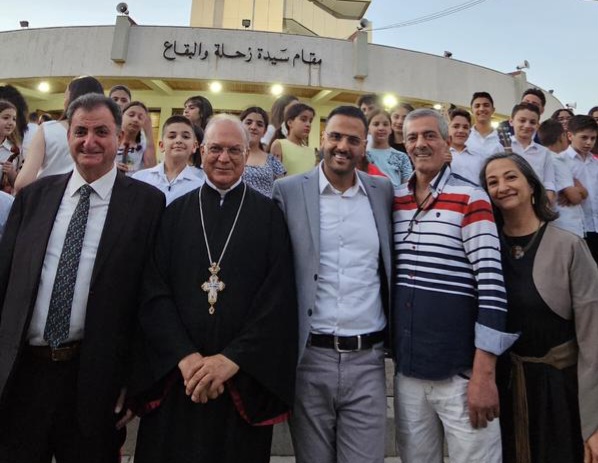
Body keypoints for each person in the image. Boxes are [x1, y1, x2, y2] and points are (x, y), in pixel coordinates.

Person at [0, 93, 165, 463]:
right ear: (68, 135)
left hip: (95, 382)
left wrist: (134, 381)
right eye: (81, 132)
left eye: (101, 132)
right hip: (24, 377)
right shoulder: (34, 197)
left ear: (119, 137)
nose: (89, 141)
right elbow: (4, 280)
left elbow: (150, 299)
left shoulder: (147, 205)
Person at [134, 114, 298, 463]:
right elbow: (154, 292)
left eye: (234, 150)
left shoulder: (269, 217)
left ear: (247, 154)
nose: (224, 158)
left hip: (240, 379)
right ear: (201, 151)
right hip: (179, 378)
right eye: (216, 149)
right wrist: (186, 357)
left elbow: (278, 299)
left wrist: (230, 360)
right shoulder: (174, 214)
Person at [392, 109, 517, 463]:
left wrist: (484, 374)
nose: (420, 144)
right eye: (412, 137)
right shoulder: (395, 200)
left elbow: (492, 287)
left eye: (429, 135)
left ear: (448, 142)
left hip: (461, 375)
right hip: (409, 372)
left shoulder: (471, 198)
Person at [273, 105, 394, 463]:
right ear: (322, 138)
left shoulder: (383, 192)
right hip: (311, 358)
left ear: (364, 145)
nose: (343, 146)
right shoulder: (288, 191)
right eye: (336, 137)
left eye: (353, 140)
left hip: (368, 359)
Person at [480, 152, 598, 463]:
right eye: (492, 182)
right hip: (504, 388)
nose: (502, 186)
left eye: (511, 177)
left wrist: (594, 423)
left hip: (560, 392)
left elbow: (593, 336)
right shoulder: (485, 247)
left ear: (532, 185)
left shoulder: (568, 246)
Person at [14, 76, 104, 193]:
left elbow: (22, 183)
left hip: (47, 197)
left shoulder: (48, 129)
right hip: (87, 198)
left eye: (65, 95)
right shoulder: (105, 135)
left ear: (70, 99)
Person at [133, 115, 205, 205]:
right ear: (161, 145)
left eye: (185, 137)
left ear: (194, 146)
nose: (178, 140)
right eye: (172, 136)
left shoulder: (200, 187)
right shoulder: (140, 178)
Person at [537, 119, 586, 237]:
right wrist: (579, 189)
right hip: (567, 224)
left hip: (555, 224)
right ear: (562, 136)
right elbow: (575, 198)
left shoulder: (540, 158)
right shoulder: (557, 160)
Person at [564, 115, 598, 264]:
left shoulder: (595, 163)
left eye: (593, 138)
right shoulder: (561, 161)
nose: (589, 142)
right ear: (570, 135)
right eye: (584, 137)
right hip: (575, 229)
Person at [509, 103, 556, 201]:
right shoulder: (501, 146)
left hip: (537, 201)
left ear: (537, 125)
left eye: (532, 122)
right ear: (511, 121)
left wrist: (547, 203)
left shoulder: (544, 152)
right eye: (522, 120)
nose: (527, 125)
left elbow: (549, 182)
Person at [240, 106, 285, 197]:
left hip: (266, 205)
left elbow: (282, 192)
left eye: (259, 124)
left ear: (264, 131)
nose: (253, 127)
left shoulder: (272, 161)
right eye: (248, 123)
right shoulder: (228, 156)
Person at [109, 85, 157, 168]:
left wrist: (149, 131)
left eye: (124, 100)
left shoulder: (142, 139)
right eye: (115, 99)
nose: (119, 103)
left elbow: (151, 167)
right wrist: (111, 167)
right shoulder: (105, 132)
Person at [366, 109, 412, 188]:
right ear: (368, 129)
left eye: (385, 124)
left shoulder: (402, 157)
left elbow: (407, 186)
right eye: (376, 124)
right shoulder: (362, 156)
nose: (381, 128)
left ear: (391, 128)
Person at [268, 102, 316, 175]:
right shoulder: (279, 145)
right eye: (303, 119)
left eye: (310, 121)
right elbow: (275, 177)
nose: (308, 124)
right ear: (290, 123)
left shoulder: (311, 152)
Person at [116, 101, 157, 176]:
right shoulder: (111, 137)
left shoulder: (144, 142)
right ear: (122, 116)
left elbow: (151, 168)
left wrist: (149, 132)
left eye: (140, 117)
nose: (135, 119)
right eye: (131, 115)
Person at [448, 108, 488, 185]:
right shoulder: (439, 156)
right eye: (456, 126)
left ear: (470, 132)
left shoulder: (479, 157)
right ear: (447, 129)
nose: (461, 130)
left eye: (465, 127)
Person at [466, 91, 503, 157]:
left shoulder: (502, 138)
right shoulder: (465, 137)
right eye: (477, 106)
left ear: (493, 110)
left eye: (486, 105)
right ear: (472, 111)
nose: (481, 109)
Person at [0, 100, 20, 191]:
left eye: (14, 119)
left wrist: (11, 173)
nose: (11, 122)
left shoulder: (15, 150)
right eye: (6, 118)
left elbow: (17, 184)